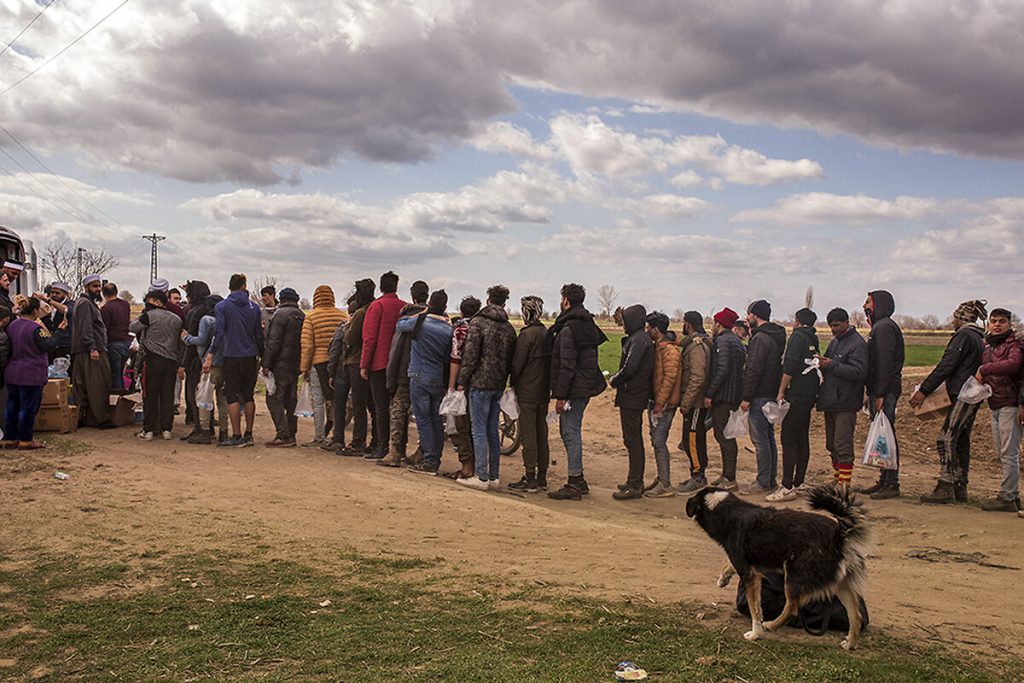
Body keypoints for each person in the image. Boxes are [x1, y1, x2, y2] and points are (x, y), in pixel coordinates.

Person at [911, 299, 987, 504]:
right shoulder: (979, 337)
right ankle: (960, 487)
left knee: (946, 437)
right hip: (973, 393)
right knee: (961, 439)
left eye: (954, 316)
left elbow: (947, 365)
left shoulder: (963, 336)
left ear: (961, 318)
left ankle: (946, 486)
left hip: (962, 393)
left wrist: (924, 390)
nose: (952, 320)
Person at [546, 284, 608, 501]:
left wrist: (560, 396)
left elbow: (567, 365)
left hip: (574, 389)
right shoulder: (587, 324)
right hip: (585, 386)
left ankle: (574, 482)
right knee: (570, 431)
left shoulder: (569, 329)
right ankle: (579, 479)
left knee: (570, 432)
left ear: (566, 301)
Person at [456, 285, 517, 490]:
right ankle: (494, 476)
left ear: (488, 299)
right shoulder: (509, 328)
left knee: (478, 429)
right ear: (504, 302)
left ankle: (481, 476)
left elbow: (470, 355)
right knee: (492, 429)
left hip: (479, 382)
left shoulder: (478, 323)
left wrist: (462, 380)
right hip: (498, 384)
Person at [397, 290, 453, 475]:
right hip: (437, 377)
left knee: (423, 420)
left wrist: (422, 313)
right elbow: (447, 357)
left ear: (430, 303)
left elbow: (401, 324)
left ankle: (429, 461)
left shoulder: (421, 323)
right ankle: (435, 458)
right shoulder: (447, 330)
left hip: (418, 375)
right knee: (436, 420)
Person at [767, 308, 820, 502]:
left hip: (796, 393)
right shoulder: (813, 338)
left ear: (797, 321)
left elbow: (790, 365)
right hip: (809, 393)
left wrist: (781, 390)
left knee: (788, 438)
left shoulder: (797, 337)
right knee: (802, 437)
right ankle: (799, 482)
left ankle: (787, 486)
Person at [856, 290, 905, 500]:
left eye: (868, 301)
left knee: (886, 435)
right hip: (879, 389)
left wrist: (880, 393)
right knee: (882, 436)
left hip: (885, 390)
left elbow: (884, 362)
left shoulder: (884, 327)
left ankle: (891, 483)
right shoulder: (879, 326)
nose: (864, 305)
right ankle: (884, 480)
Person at [815, 308, 867, 496]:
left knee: (842, 443)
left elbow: (859, 372)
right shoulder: (835, 342)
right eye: (831, 325)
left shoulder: (857, 344)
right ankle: (838, 478)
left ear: (846, 322)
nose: (833, 329)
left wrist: (832, 365)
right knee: (832, 444)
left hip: (846, 401)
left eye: (836, 325)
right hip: (831, 400)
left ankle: (844, 484)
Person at [208, 273, 264, 448]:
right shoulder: (254, 308)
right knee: (248, 395)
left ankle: (236, 435)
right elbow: (258, 335)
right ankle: (249, 434)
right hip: (251, 356)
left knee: (231, 395)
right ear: (243, 286)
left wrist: (211, 354)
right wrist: (263, 356)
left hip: (231, 354)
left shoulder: (222, 306)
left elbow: (219, 333)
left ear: (230, 286)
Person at [975, 308, 1021, 512]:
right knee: (1001, 451)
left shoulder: (1014, 345)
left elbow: (1013, 365)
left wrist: (984, 370)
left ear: (1009, 324)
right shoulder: (989, 346)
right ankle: (1011, 494)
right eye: (993, 321)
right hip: (995, 403)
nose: (997, 324)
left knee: (1008, 452)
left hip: (1010, 403)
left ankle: (1007, 497)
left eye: (1002, 321)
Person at [606, 304, 654, 500]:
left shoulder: (639, 340)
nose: (623, 325)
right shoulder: (639, 339)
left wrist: (615, 380)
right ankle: (633, 480)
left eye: (625, 321)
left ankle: (635, 484)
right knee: (632, 439)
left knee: (633, 440)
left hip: (633, 395)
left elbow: (630, 368)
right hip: (633, 395)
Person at [739, 299, 786, 494]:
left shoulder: (760, 339)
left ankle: (762, 481)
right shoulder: (775, 336)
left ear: (755, 315)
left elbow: (754, 369)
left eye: (749, 314)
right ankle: (770, 479)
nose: (747, 318)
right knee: (768, 438)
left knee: (760, 440)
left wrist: (747, 397)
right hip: (771, 393)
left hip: (759, 395)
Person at [381, 280, 429, 467]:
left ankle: (395, 452)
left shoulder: (406, 320)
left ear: (413, 295)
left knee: (398, 413)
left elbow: (396, 349)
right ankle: (423, 452)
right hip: (427, 373)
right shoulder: (437, 318)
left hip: (404, 372)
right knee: (424, 415)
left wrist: (390, 375)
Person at [360, 271, 407, 460]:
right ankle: (400, 447)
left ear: (381, 287)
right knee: (399, 407)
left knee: (381, 407)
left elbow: (369, 338)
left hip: (379, 363)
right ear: (396, 286)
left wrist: (364, 364)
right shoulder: (404, 307)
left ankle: (382, 446)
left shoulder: (376, 306)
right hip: (400, 364)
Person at [508, 296, 551, 492]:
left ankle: (530, 477)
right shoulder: (546, 333)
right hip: (543, 391)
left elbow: (517, 365)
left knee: (528, 434)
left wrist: (512, 382)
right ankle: (542, 476)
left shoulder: (526, 336)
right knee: (542, 433)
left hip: (527, 391)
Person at [130, 290, 185, 440]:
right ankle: (167, 429)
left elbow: (133, 327)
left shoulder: (149, 316)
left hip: (153, 361)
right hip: (171, 361)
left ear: (157, 302)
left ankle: (149, 430)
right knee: (167, 395)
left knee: (150, 396)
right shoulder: (176, 319)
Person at [3, 297, 55, 449]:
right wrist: (59, 332)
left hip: (12, 372)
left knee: (12, 406)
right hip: (31, 373)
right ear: (35, 311)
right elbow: (48, 346)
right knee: (28, 408)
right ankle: (26, 439)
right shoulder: (35, 329)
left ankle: (10, 438)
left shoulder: (12, 326)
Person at [300, 285, 347, 448]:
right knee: (336, 400)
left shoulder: (311, 317)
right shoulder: (342, 315)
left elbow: (307, 345)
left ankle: (320, 436)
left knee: (318, 401)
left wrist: (304, 367)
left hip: (318, 362)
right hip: (339, 364)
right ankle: (336, 436)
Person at [703, 308, 745, 491]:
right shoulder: (736, 341)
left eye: (714, 323)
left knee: (725, 437)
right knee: (724, 435)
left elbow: (722, 369)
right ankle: (726, 474)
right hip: (733, 395)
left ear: (719, 324)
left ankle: (730, 478)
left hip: (724, 396)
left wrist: (710, 393)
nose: (712, 326)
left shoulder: (723, 342)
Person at [642, 311, 681, 499]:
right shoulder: (659, 347)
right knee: (656, 440)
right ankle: (661, 478)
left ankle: (665, 484)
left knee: (659, 441)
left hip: (664, 405)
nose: (646, 330)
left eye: (648, 327)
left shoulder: (669, 351)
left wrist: (660, 402)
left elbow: (670, 379)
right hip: (657, 401)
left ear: (656, 330)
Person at [263, 287, 305, 447]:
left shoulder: (279, 315)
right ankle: (291, 434)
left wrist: (266, 363)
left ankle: (283, 434)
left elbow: (273, 342)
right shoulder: (301, 315)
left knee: (273, 398)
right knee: (290, 399)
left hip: (280, 364)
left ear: (281, 299)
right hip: (295, 364)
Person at [181, 293, 226, 444]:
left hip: (209, 363)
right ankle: (224, 433)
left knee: (204, 398)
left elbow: (201, 340)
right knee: (222, 400)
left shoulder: (206, 320)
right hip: (225, 364)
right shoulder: (226, 320)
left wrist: (186, 338)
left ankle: (205, 431)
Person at [445, 296, 482, 479]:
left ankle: (467, 467)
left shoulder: (460, 330)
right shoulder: (483, 327)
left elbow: (455, 359)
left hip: (463, 384)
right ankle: (480, 467)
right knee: (477, 426)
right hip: (481, 384)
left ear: (461, 311)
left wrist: (452, 387)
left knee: (460, 426)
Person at [70, 275, 113, 428]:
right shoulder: (85, 304)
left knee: (82, 386)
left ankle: (82, 418)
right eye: (95, 286)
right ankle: (101, 419)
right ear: (87, 288)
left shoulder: (84, 303)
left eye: (99, 286)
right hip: (90, 351)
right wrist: (93, 348)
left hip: (84, 350)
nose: (98, 289)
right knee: (97, 385)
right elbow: (86, 328)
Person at [677, 310, 711, 494]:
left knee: (692, 440)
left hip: (695, 403)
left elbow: (698, 377)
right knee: (690, 438)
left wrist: (686, 403)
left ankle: (698, 476)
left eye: (683, 322)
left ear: (688, 324)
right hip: (693, 402)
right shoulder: (693, 342)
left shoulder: (697, 347)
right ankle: (695, 473)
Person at [341, 279, 377, 455]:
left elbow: (350, 338)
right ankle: (376, 441)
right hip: (373, 362)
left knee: (359, 404)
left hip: (357, 361)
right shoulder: (376, 308)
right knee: (373, 404)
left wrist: (347, 326)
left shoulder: (361, 313)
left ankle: (358, 442)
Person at [324, 294, 358, 454]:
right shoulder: (364, 327)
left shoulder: (343, 328)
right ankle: (358, 441)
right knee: (358, 406)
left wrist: (330, 372)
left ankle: (338, 438)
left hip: (341, 371)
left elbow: (334, 351)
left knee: (339, 406)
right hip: (357, 371)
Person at [180, 281, 213, 440]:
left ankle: (200, 428)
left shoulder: (194, 312)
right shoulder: (212, 309)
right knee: (207, 394)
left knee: (195, 395)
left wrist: (183, 363)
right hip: (213, 357)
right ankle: (210, 426)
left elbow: (189, 336)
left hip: (195, 359)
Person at [100, 282, 132, 392]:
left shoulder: (106, 309)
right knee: (121, 373)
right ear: (116, 292)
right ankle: (124, 396)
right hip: (126, 343)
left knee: (115, 374)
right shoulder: (125, 305)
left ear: (103, 294)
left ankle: (117, 399)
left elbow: (104, 329)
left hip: (113, 344)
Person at [40, 282, 72, 361]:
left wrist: (48, 300)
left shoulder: (70, 304)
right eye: (52, 292)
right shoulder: (49, 306)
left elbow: (65, 310)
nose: (54, 295)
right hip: (53, 343)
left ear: (65, 294)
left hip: (65, 345)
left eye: (57, 293)